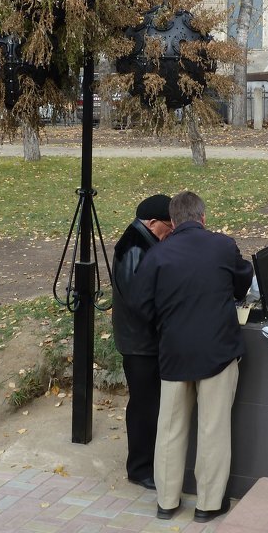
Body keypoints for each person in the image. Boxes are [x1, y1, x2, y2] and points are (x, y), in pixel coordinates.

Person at [133, 191, 253, 523]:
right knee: (213, 428)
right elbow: (243, 284)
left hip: (173, 354)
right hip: (218, 352)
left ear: (174, 220)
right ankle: (208, 505)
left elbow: (141, 306)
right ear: (202, 217)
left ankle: (167, 502)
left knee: (170, 429)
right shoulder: (223, 246)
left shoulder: (158, 254)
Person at [111, 194, 173, 490]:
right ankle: (139, 468)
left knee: (149, 404)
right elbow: (140, 301)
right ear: (152, 223)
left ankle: (148, 462)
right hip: (140, 344)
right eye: (168, 227)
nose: (171, 233)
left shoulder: (143, 240)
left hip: (142, 340)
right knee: (144, 407)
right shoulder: (135, 247)